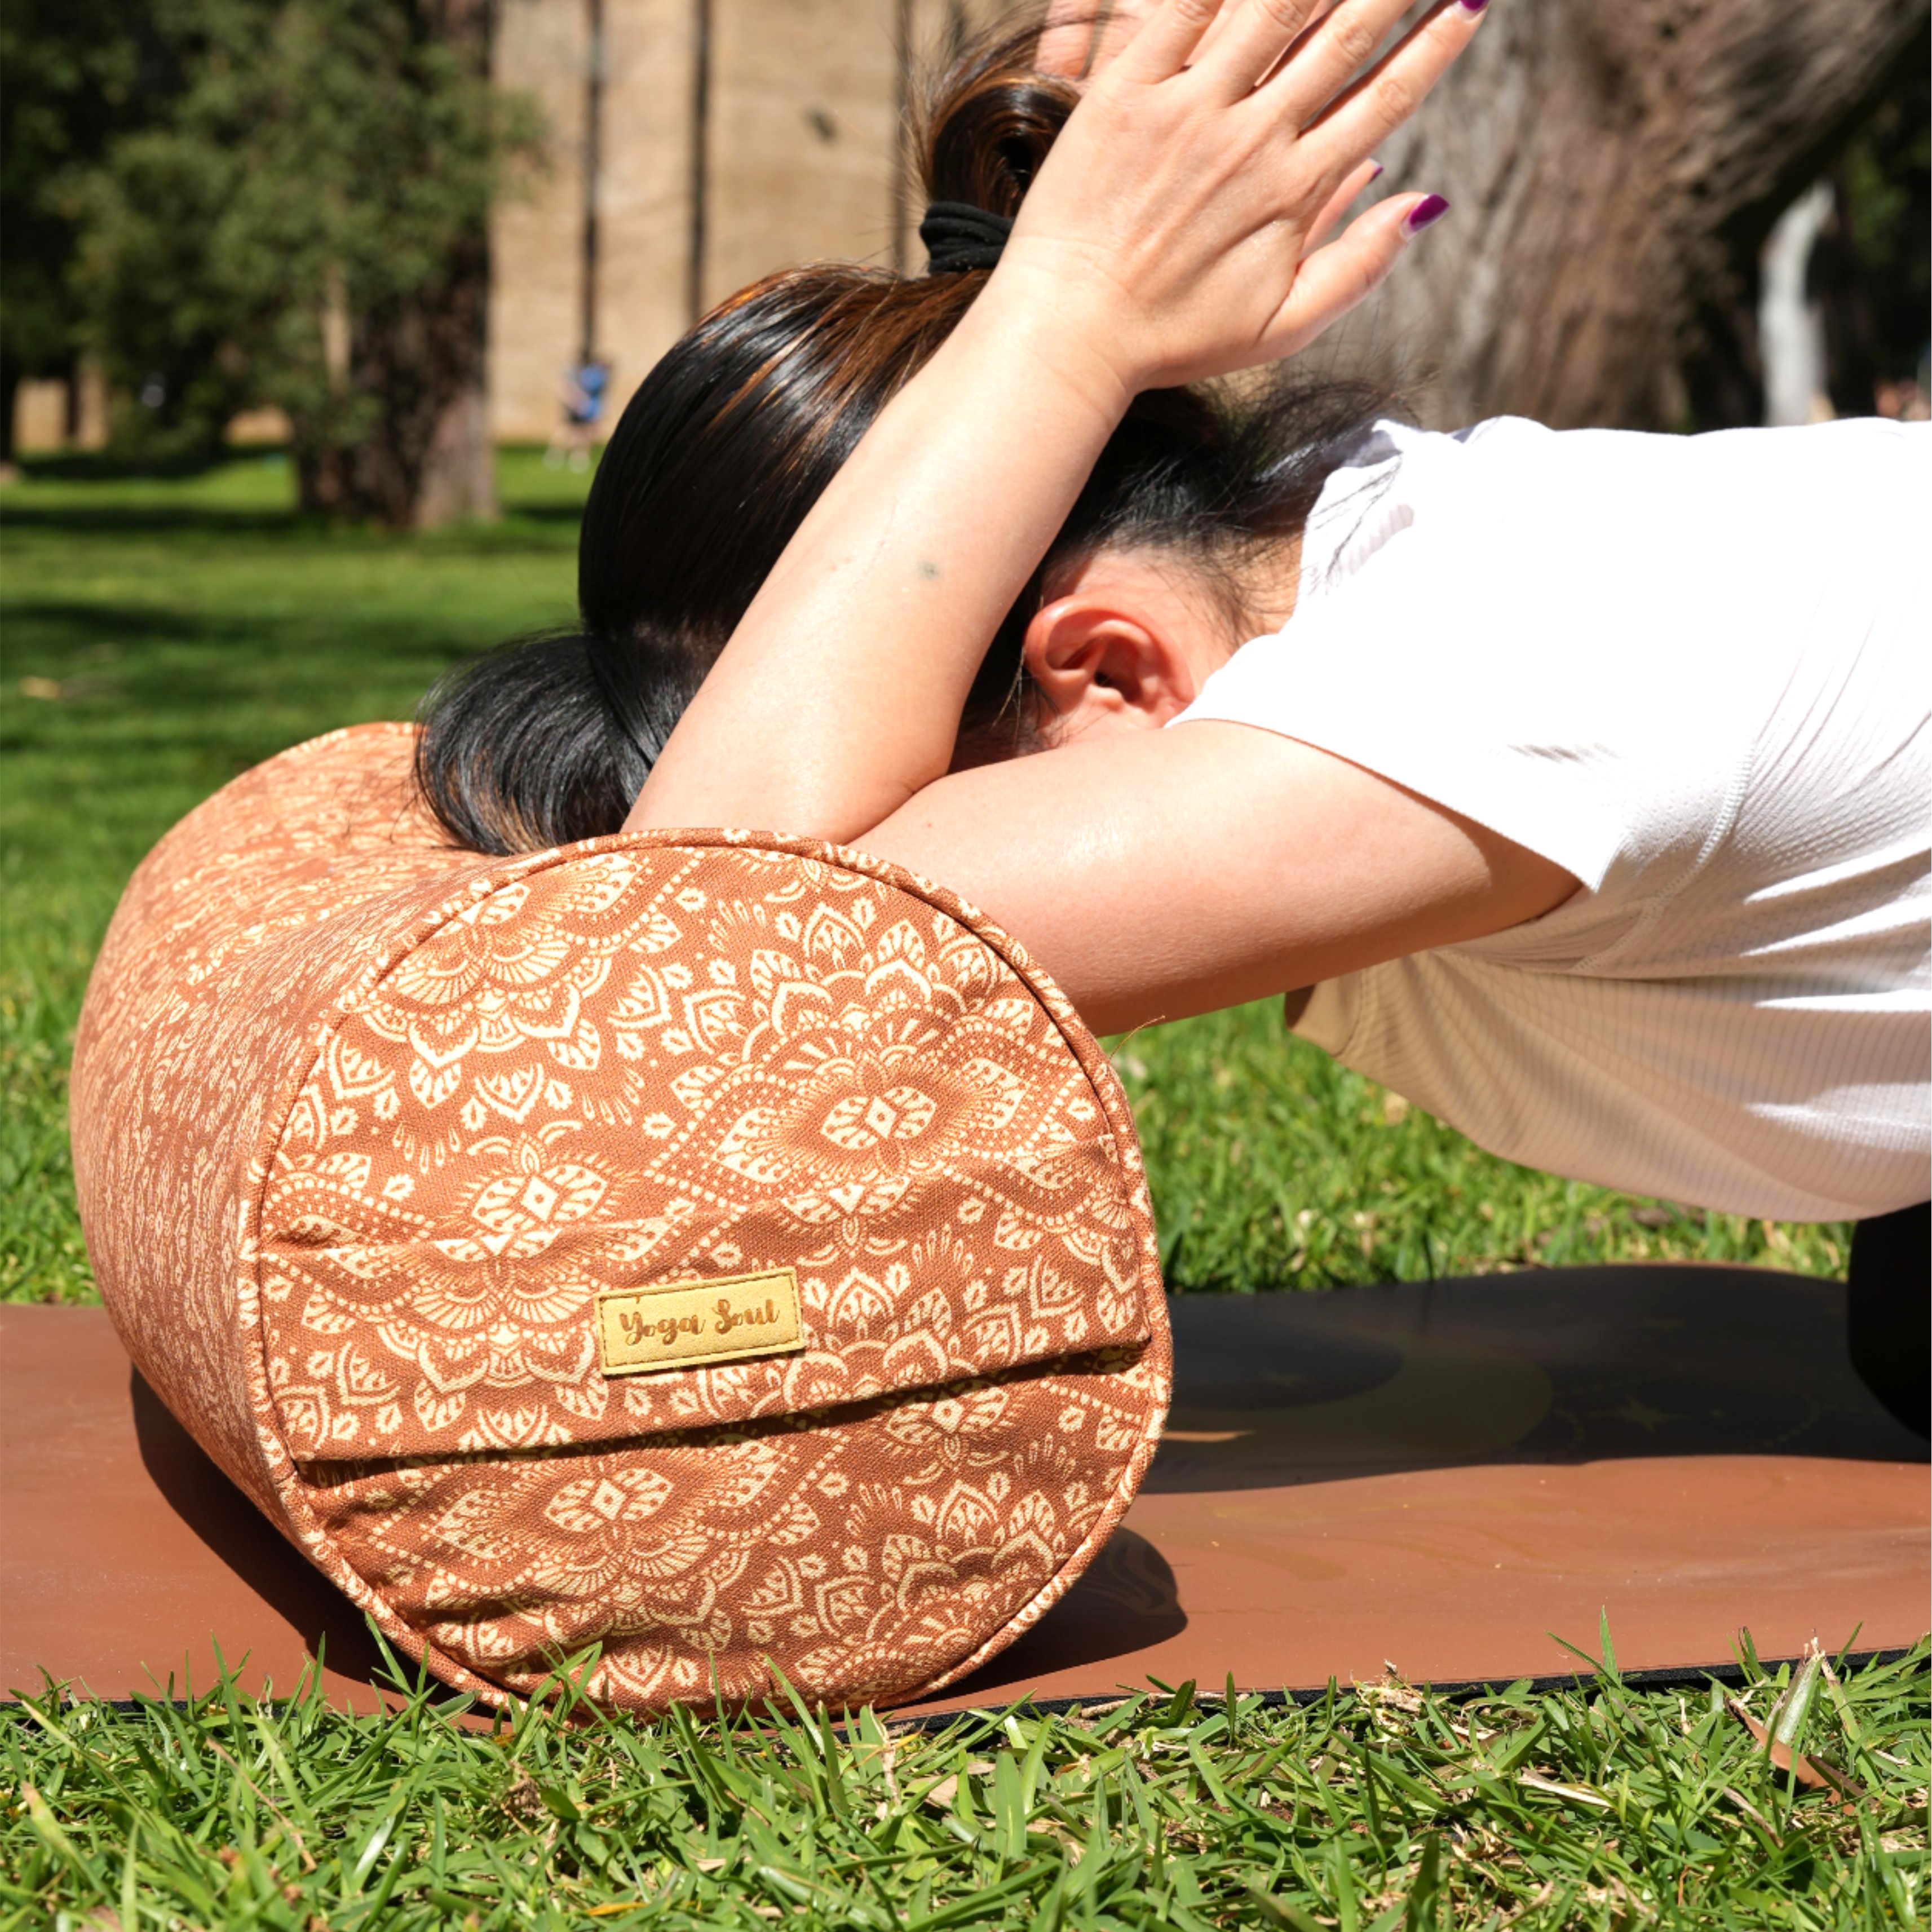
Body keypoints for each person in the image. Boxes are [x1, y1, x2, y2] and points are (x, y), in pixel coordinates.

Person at [415, 0, 1930, 1433]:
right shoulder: (1410, 591)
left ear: (1107, 670)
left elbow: (708, 961)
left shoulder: (1493, 665)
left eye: (908, 792)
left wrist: (1066, 320)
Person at [545, 354, 612, 470]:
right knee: (569, 431)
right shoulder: (578, 373)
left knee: (582, 433)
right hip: (577, 406)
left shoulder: (585, 373)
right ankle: (558, 456)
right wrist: (576, 403)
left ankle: (578, 459)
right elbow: (565, 390)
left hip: (582, 407)